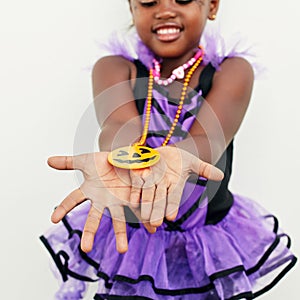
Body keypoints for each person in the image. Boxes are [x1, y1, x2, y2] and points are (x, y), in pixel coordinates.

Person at [40, 0, 297, 299]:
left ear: (212, 6)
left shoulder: (232, 71)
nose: (164, 10)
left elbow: (207, 139)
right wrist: (120, 160)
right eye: (149, 1)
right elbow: (118, 125)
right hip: (136, 243)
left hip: (206, 241)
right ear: (132, 8)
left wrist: (178, 157)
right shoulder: (114, 69)